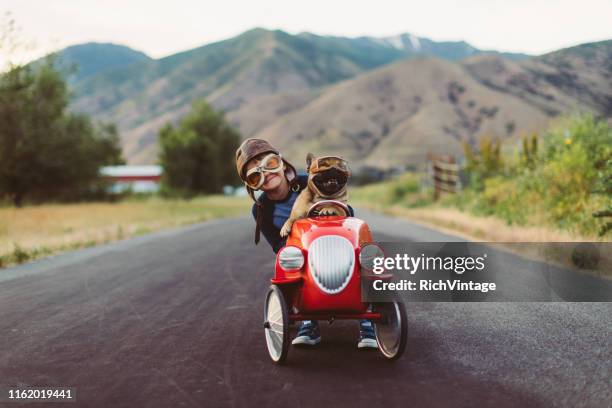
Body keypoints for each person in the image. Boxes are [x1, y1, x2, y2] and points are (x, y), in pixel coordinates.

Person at [235, 138, 377, 348]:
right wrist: (297, 253)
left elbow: (346, 211)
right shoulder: (261, 209)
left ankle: (367, 319)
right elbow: (277, 245)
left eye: (271, 164)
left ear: (281, 163)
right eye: (256, 176)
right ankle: (307, 318)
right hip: (303, 254)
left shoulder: (309, 181)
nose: (266, 174)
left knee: (364, 260)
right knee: (288, 265)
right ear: (251, 185)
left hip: (337, 240)